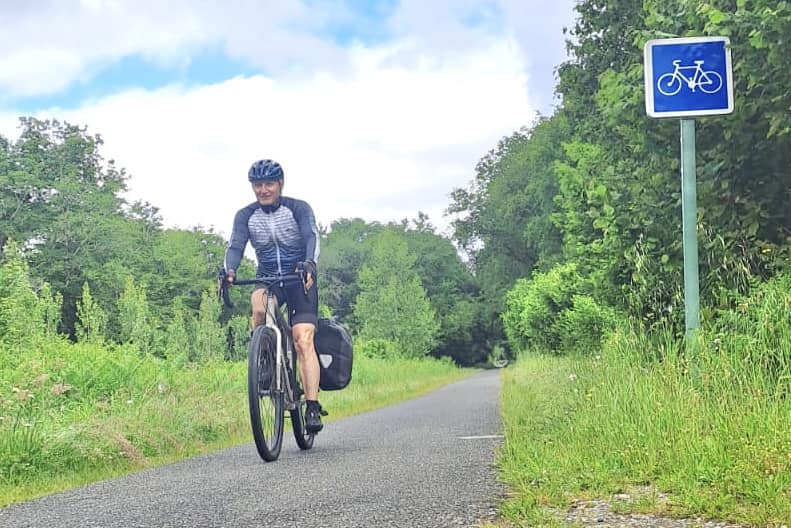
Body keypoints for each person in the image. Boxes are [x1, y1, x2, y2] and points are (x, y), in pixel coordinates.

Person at [223, 159, 326, 433]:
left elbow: (311, 237)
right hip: (268, 276)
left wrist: (309, 264)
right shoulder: (246, 216)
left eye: (269, 184)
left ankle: (312, 406)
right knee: (258, 308)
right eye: (258, 185)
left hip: (299, 276)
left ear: (280, 184)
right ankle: (266, 358)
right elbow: (235, 245)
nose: (263, 190)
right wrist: (229, 271)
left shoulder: (298, 208)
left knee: (303, 339)